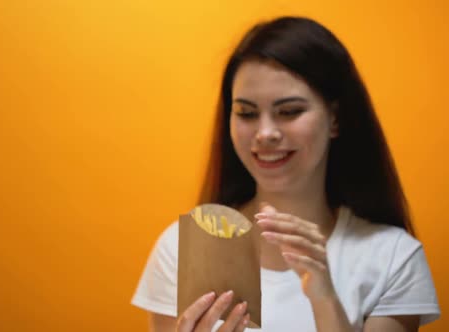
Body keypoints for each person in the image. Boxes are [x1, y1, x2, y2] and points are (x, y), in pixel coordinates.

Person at [130, 16, 440, 332]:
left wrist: (325, 299)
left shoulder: (393, 257)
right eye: (246, 113)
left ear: (335, 118)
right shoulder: (180, 249)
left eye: (289, 111)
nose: (265, 133)